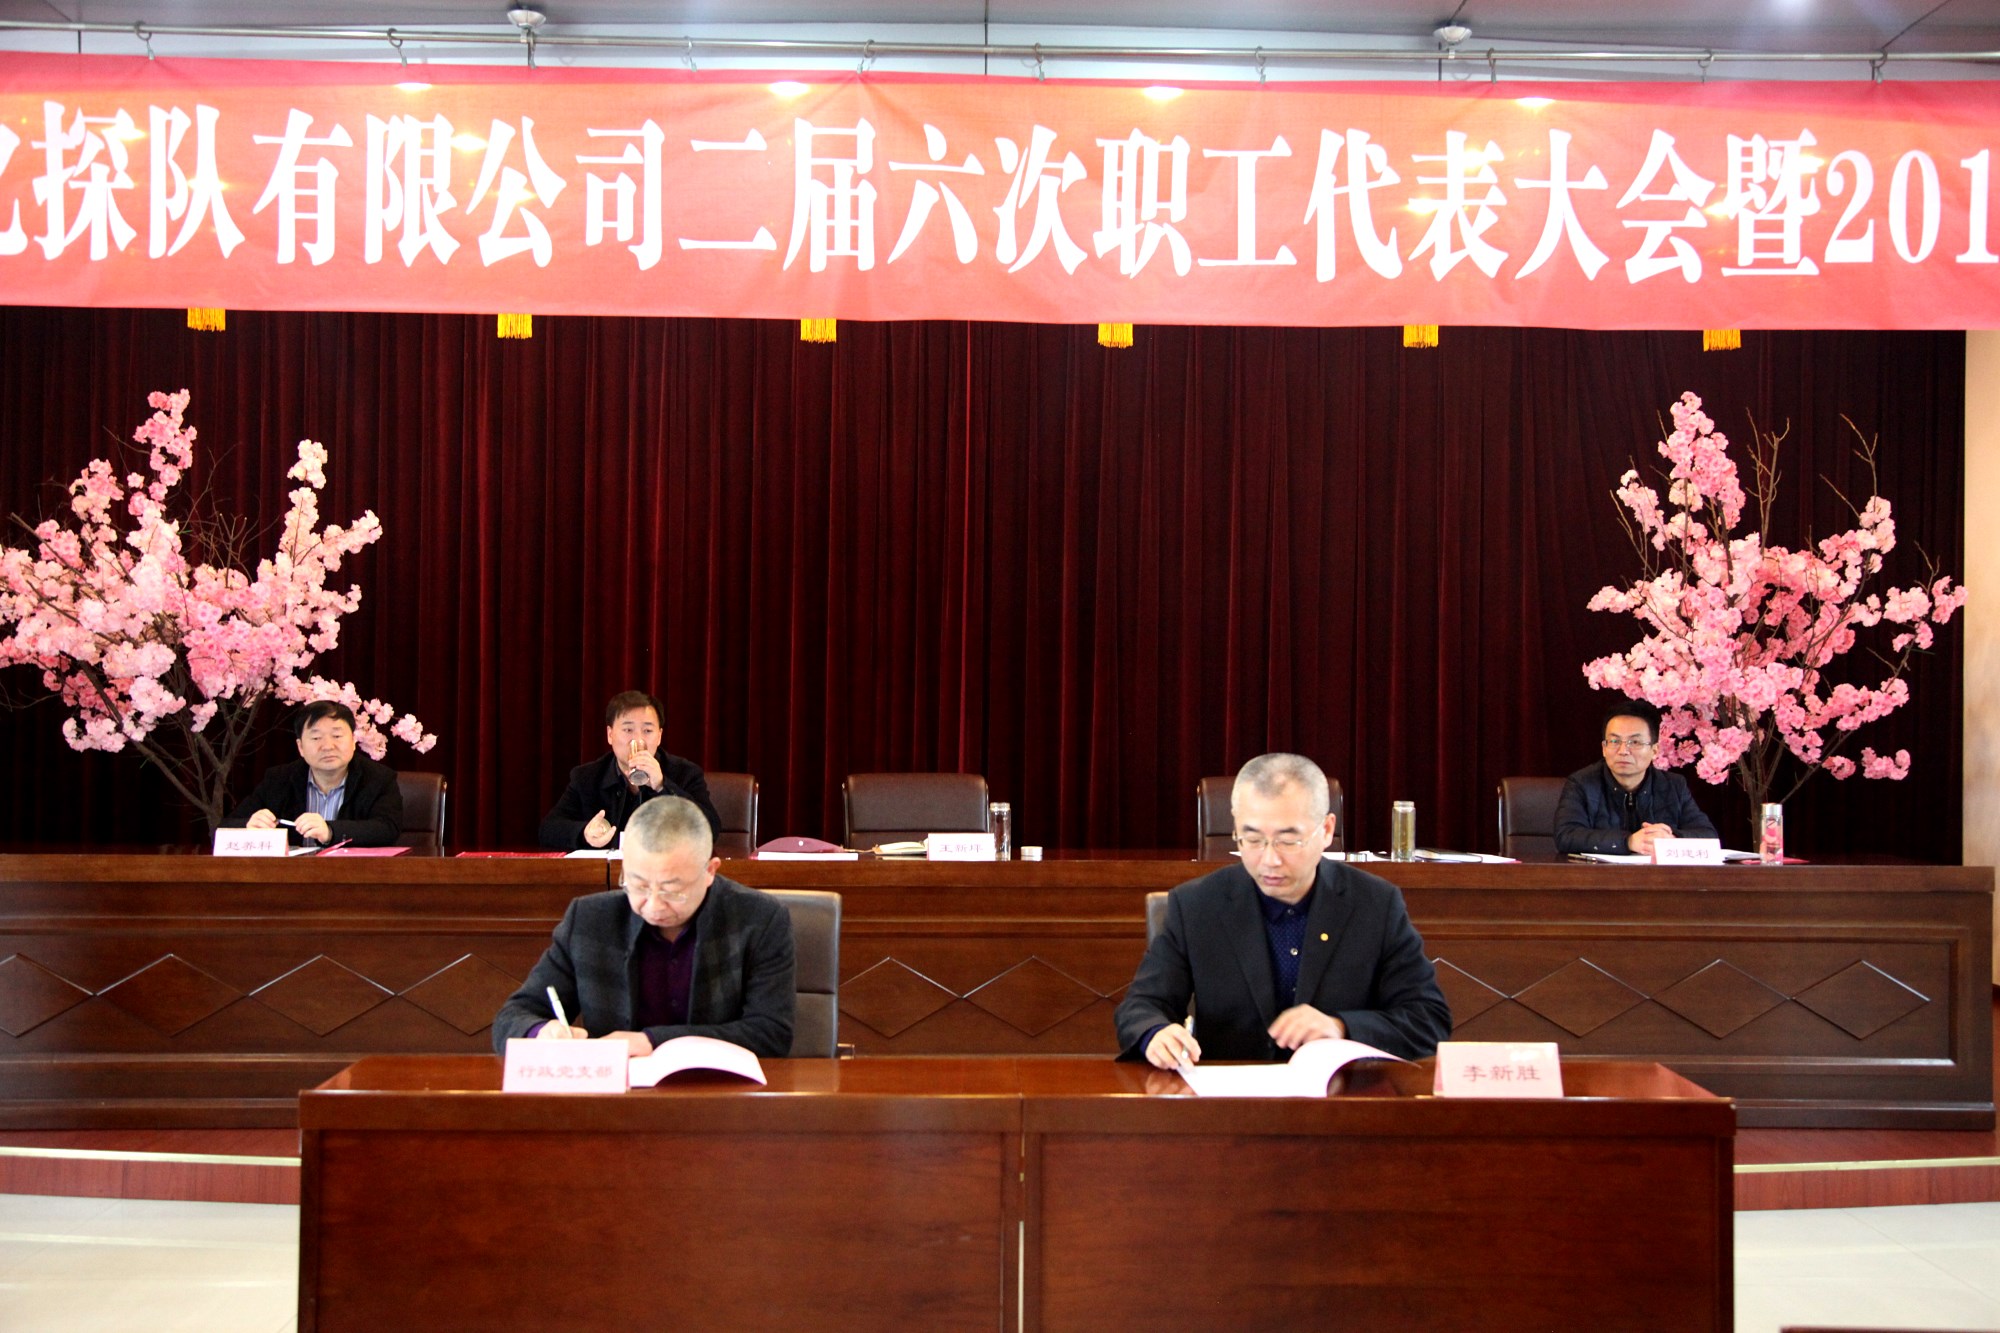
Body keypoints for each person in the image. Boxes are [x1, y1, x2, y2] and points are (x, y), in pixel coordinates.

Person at [1114, 753, 1452, 1068]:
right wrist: (1155, 1033)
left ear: (1326, 830)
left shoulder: (1375, 904)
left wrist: (1341, 1027)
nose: (1270, 859)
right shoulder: (1197, 905)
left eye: (1288, 841)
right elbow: (1142, 1005)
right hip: (1232, 1096)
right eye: (1252, 839)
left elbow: (1428, 1019)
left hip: (1341, 1097)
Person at [495, 795, 795, 1057]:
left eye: (671, 890)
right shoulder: (590, 919)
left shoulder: (759, 919)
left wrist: (653, 1041)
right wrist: (540, 1033)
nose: (653, 905)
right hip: (617, 1094)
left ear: (709, 871)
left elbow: (770, 1033)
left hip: (717, 1091)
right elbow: (513, 1017)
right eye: (638, 885)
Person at [538, 689, 722, 850]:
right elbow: (548, 829)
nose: (637, 740)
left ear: (659, 736)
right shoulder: (587, 777)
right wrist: (584, 833)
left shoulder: (685, 773)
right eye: (628, 730)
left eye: (647, 731)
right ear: (610, 735)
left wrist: (662, 786)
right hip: (607, 871)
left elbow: (710, 830)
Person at [222, 701, 403, 847]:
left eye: (337, 736)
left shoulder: (379, 779)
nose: (328, 746)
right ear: (300, 747)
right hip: (290, 876)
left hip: (352, 876)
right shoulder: (279, 779)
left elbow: (387, 829)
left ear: (354, 741)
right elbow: (225, 827)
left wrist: (330, 831)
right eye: (316, 738)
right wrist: (249, 825)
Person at [1554, 703, 1720, 856]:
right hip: (1602, 876)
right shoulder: (1582, 784)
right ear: (1604, 748)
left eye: (1635, 742)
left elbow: (1708, 836)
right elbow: (1566, 836)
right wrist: (1629, 842)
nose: (1623, 751)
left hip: (1659, 877)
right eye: (1614, 741)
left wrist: (1671, 839)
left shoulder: (1674, 786)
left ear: (1654, 750)